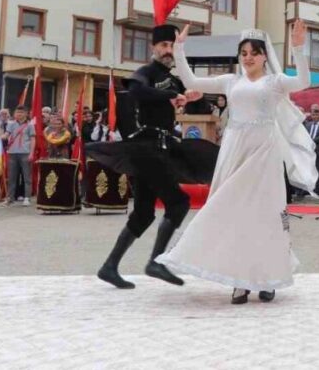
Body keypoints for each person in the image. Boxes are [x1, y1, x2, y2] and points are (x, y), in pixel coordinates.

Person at [155, 21, 317, 304]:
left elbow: (303, 82)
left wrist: (299, 48)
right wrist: (179, 50)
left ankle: (268, 277)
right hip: (234, 149)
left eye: (254, 52)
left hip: (263, 152)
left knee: (265, 215)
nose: (248, 57)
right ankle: (239, 281)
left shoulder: (275, 82)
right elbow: (192, 82)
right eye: (243, 53)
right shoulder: (231, 81)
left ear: (265, 56)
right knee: (230, 211)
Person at [88, 24, 220, 290]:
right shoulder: (146, 72)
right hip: (145, 147)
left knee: (144, 213)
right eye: (164, 46)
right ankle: (156, 261)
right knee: (179, 202)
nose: (168, 51)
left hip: (160, 147)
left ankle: (109, 267)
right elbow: (136, 91)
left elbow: (189, 99)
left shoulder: (173, 79)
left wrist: (191, 97)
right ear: (154, 48)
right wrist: (171, 96)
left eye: (172, 46)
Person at [4, 107, 35, 206]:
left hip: (25, 152)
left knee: (27, 177)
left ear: (26, 114)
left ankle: (27, 197)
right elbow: (6, 134)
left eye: (21, 112)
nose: (19, 114)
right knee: (12, 177)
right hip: (12, 152)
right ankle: (10, 197)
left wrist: (31, 153)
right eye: (17, 112)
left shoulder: (30, 125)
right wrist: (0, 136)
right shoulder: (11, 124)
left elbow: (33, 139)